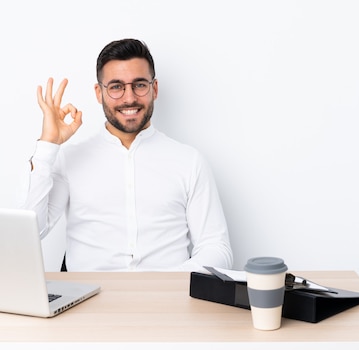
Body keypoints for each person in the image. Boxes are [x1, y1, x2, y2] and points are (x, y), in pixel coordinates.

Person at [23, 38, 232, 272]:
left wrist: (163, 284)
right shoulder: (69, 159)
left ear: (154, 89)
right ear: (99, 93)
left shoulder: (189, 162)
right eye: (116, 87)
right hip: (88, 303)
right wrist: (48, 145)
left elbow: (216, 248)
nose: (129, 98)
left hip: (168, 302)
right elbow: (31, 233)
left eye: (139, 85)